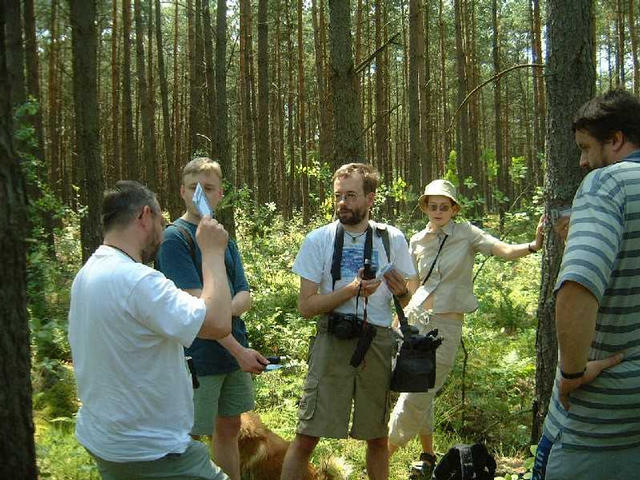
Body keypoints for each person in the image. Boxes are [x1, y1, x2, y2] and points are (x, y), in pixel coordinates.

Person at [68, 180, 232, 480]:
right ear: (145, 216)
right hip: (152, 451)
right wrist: (211, 253)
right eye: (160, 218)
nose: (162, 227)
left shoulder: (88, 273)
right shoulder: (138, 281)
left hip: (109, 440)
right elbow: (219, 322)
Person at [387, 178, 544, 477]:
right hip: (416, 321)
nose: (438, 211)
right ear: (425, 208)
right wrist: (402, 318)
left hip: (446, 325)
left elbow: (502, 250)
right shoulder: (418, 239)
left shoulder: (466, 234)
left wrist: (533, 245)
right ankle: (428, 454)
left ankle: (381, 455)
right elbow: (413, 284)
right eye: (432, 206)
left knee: (416, 397)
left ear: (454, 208)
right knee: (417, 386)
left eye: (444, 206)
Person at [280, 163, 417, 480]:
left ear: (370, 199)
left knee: (377, 436)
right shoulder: (319, 240)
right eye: (338, 196)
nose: (343, 203)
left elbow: (407, 296)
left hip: (377, 342)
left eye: (351, 196)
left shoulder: (391, 239)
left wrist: (402, 293)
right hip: (332, 340)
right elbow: (306, 306)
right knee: (307, 434)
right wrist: (352, 290)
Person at [535, 89, 640, 480]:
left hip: (597, 427)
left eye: (585, 147)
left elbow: (577, 287)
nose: (581, 161)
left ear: (615, 140)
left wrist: (573, 373)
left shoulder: (606, 184)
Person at [156, 158, 266, 480]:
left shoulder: (223, 238)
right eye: (193, 188)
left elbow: (245, 294)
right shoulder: (175, 239)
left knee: (229, 426)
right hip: (197, 356)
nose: (200, 194)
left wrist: (220, 311)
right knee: (187, 435)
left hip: (232, 351)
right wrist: (238, 349)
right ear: (182, 192)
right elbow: (194, 313)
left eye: (208, 188)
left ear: (220, 194)